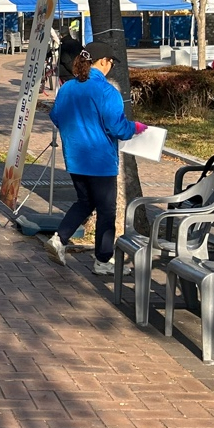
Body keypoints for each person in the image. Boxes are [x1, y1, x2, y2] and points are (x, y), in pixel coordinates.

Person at [44, 42, 145, 275]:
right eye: (111, 63)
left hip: (75, 158)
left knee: (85, 202)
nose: (111, 67)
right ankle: (102, 260)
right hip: (100, 161)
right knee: (107, 211)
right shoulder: (107, 91)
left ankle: (59, 238)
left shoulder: (68, 88)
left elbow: (56, 116)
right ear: (103, 62)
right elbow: (118, 128)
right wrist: (137, 128)